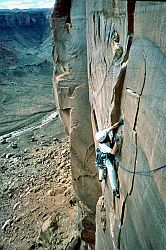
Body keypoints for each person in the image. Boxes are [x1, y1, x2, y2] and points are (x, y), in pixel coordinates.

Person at [95, 117, 124, 198]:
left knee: (101, 167)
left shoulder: (102, 134)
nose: (108, 136)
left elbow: (112, 127)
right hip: (105, 157)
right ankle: (114, 189)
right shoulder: (103, 145)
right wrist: (117, 143)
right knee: (109, 169)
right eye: (107, 136)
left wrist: (119, 122)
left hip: (103, 153)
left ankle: (101, 177)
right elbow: (113, 152)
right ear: (104, 140)